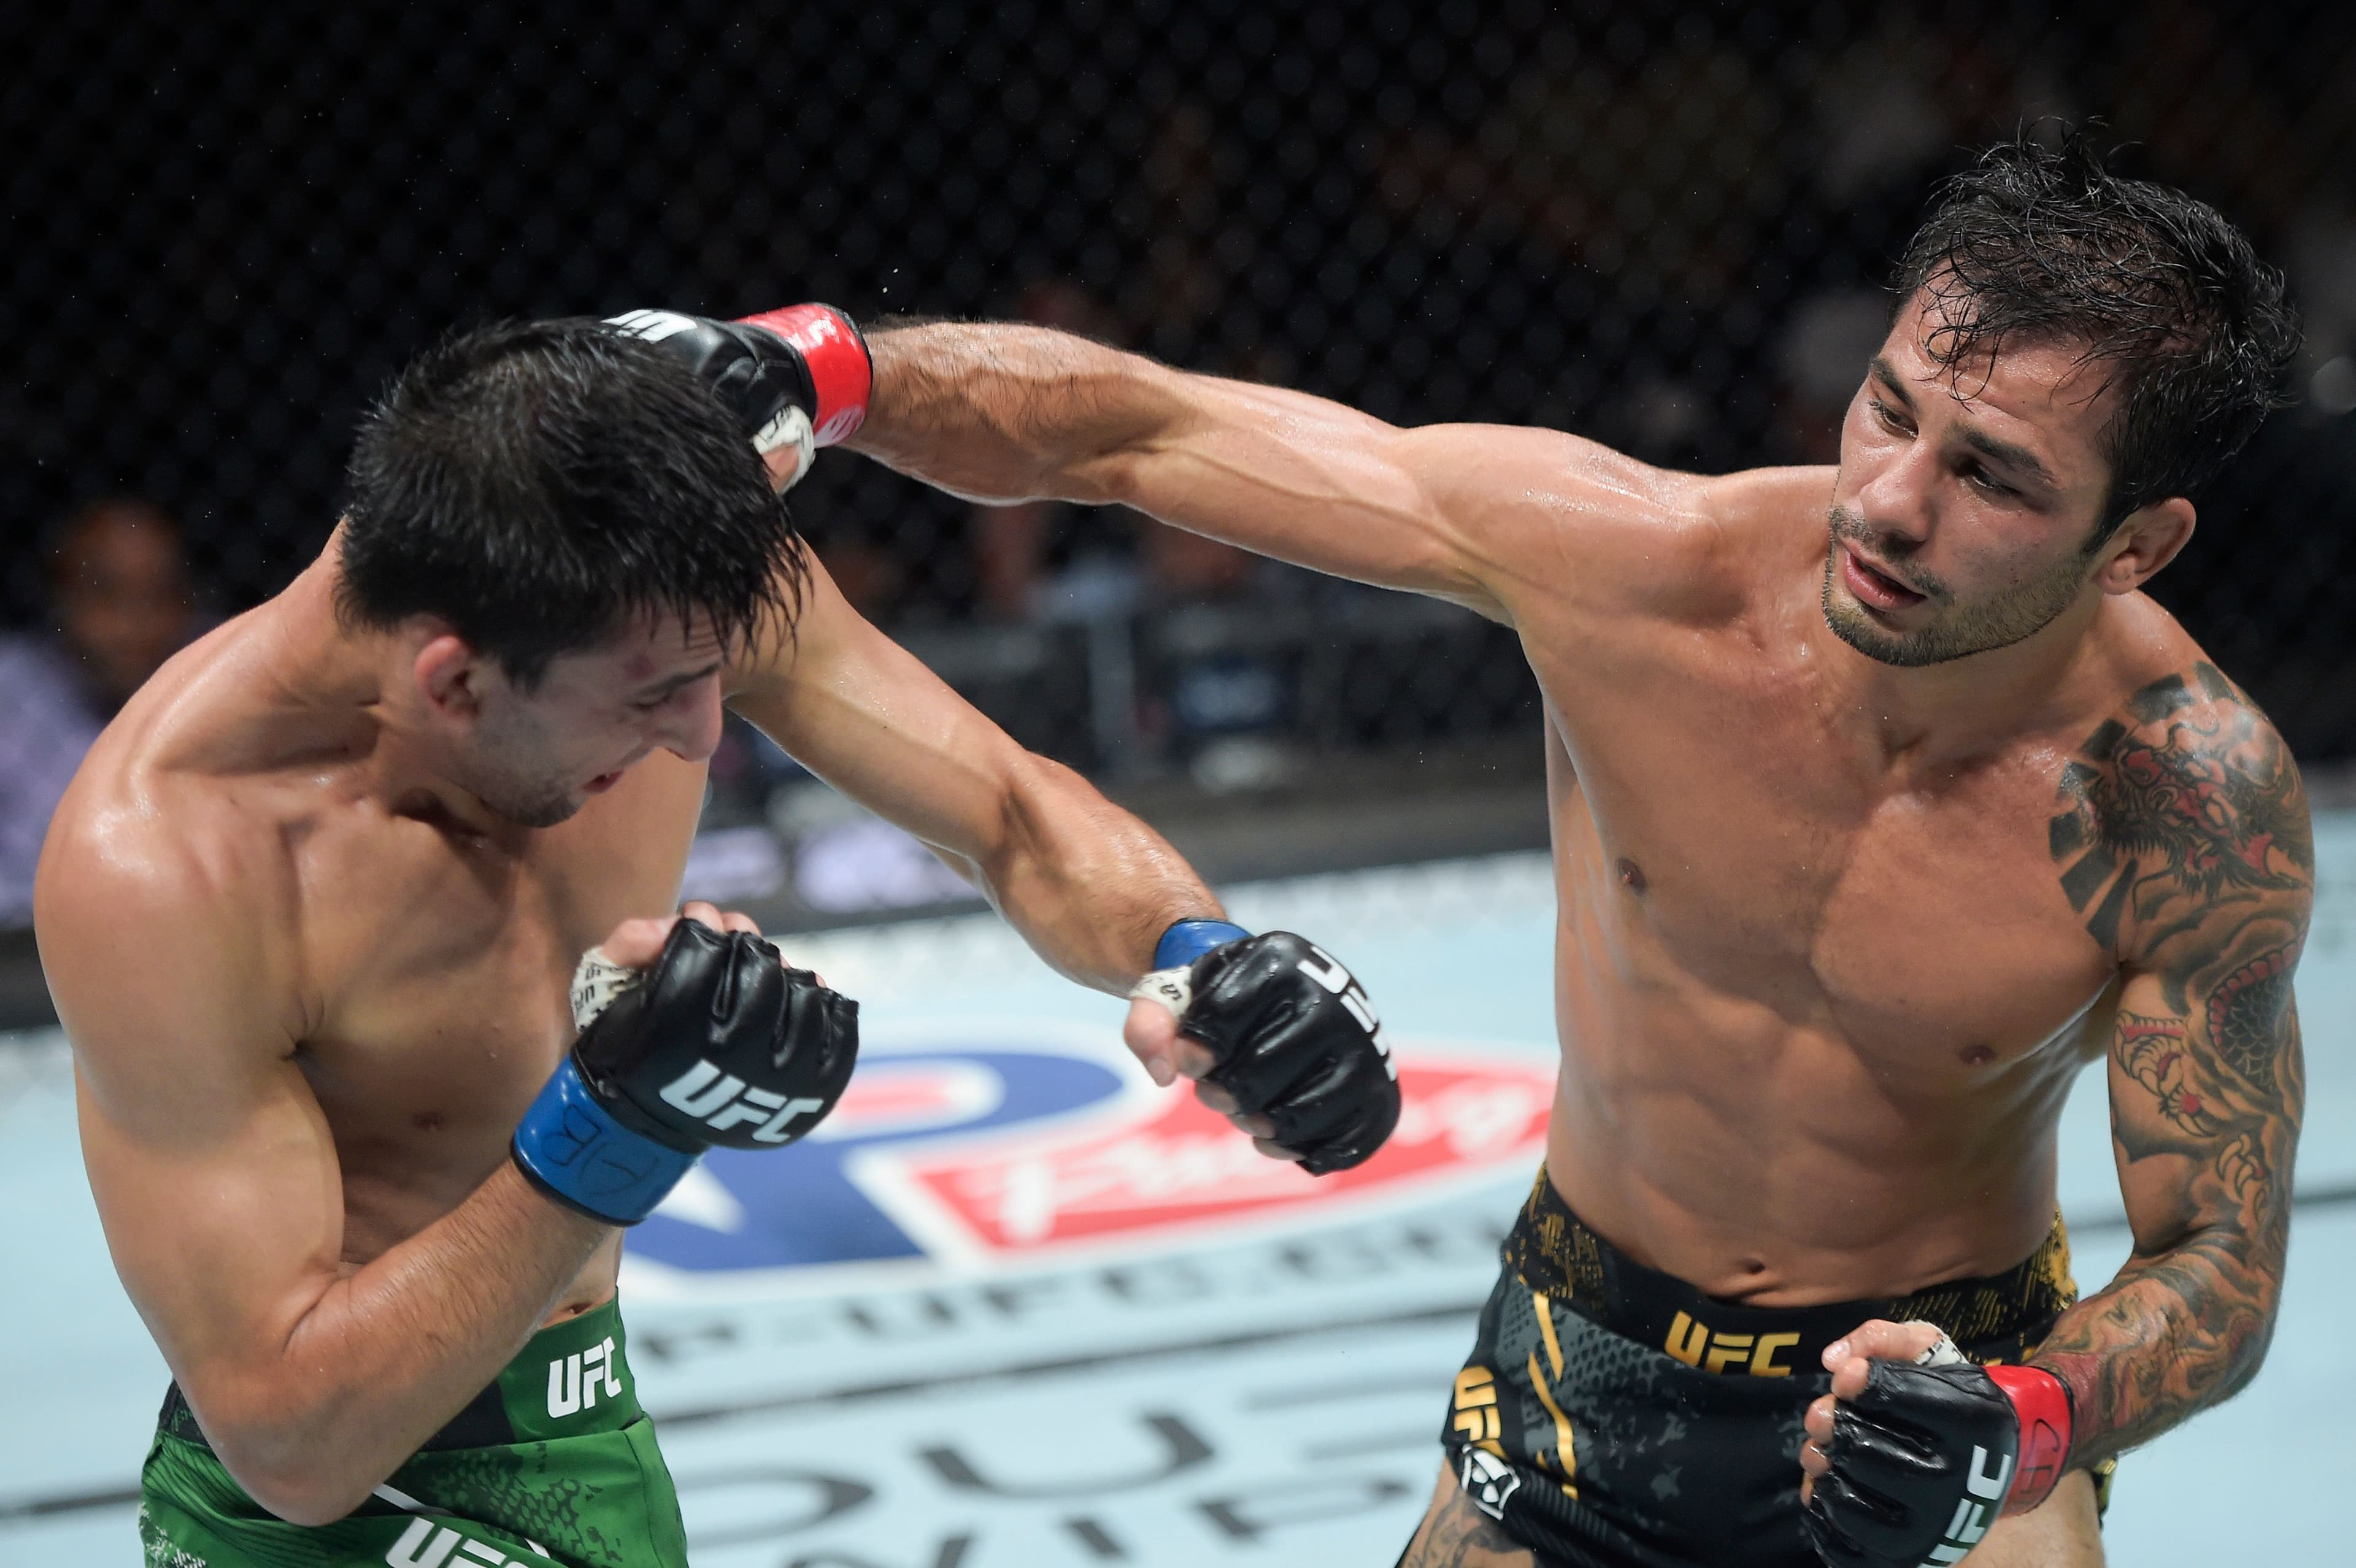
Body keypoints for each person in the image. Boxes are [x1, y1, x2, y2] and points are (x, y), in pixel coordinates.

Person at [835, 133, 2310, 1567]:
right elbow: (1135, 431)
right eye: (1885, 407)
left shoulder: (2182, 799)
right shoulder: (1643, 576)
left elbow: (2218, 1264)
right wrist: (812, 373)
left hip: (1940, 1380)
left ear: (2133, 545)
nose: (1885, 499)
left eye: (1990, 478)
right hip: (1587, 1358)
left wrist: (2025, 1414)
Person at [34, 311, 1400, 1567]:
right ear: (452, 681)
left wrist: (1202, 957)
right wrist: (619, 1122)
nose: (705, 733)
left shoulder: (642, 576)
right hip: (335, 1524)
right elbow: (293, 1442)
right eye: (663, 697)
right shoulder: (173, 861)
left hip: (596, 1432)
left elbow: (1006, 811)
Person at [0, 498, 202, 923]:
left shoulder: (221, 675)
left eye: (157, 596)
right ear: (61, 597)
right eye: (107, 593)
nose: (135, 622)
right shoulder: (12, 694)